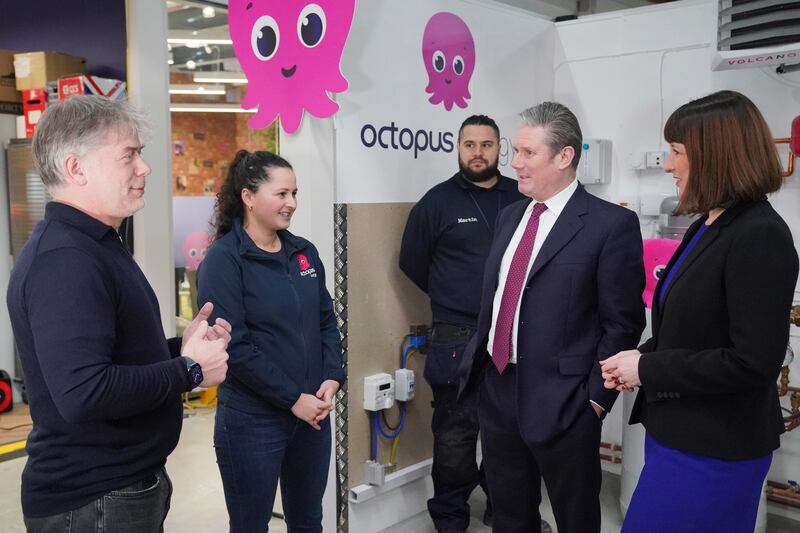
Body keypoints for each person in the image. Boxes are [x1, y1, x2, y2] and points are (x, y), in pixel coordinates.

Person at [6, 95, 231, 533]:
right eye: (129, 155)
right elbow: (85, 392)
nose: (144, 168)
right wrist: (189, 371)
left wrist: (178, 350)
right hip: (94, 501)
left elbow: (111, 356)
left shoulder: (96, 243)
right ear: (76, 168)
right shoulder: (65, 259)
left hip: (118, 489)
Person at [600, 90, 799, 533]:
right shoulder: (707, 225)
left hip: (716, 450)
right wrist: (634, 361)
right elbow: (687, 328)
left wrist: (649, 369)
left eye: (676, 152)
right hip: (678, 435)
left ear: (714, 155)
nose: (668, 165)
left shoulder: (759, 235)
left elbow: (754, 363)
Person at [459, 101, 646, 533]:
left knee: (574, 516)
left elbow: (622, 322)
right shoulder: (510, 217)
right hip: (500, 386)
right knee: (508, 513)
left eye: (527, 153)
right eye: (515, 152)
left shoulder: (609, 225)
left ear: (564, 156)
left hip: (567, 399)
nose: (515, 163)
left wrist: (595, 400)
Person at [197, 150, 345, 533]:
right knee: (250, 525)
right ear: (248, 196)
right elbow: (235, 346)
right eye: (281, 194)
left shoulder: (303, 253)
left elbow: (325, 321)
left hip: (311, 414)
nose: (291, 203)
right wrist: (293, 399)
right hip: (253, 421)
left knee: (309, 520)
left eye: (294, 193)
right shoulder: (224, 261)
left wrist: (331, 376)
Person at [399, 114, 524, 533]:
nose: (477, 152)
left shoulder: (522, 196)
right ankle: (451, 517)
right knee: (454, 432)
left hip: (514, 331)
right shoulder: (436, 202)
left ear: (499, 149)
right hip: (457, 333)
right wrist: (454, 295)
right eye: (469, 144)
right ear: (457, 148)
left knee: (511, 430)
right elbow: (412, 263)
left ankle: (503, 509)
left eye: (486, 145)